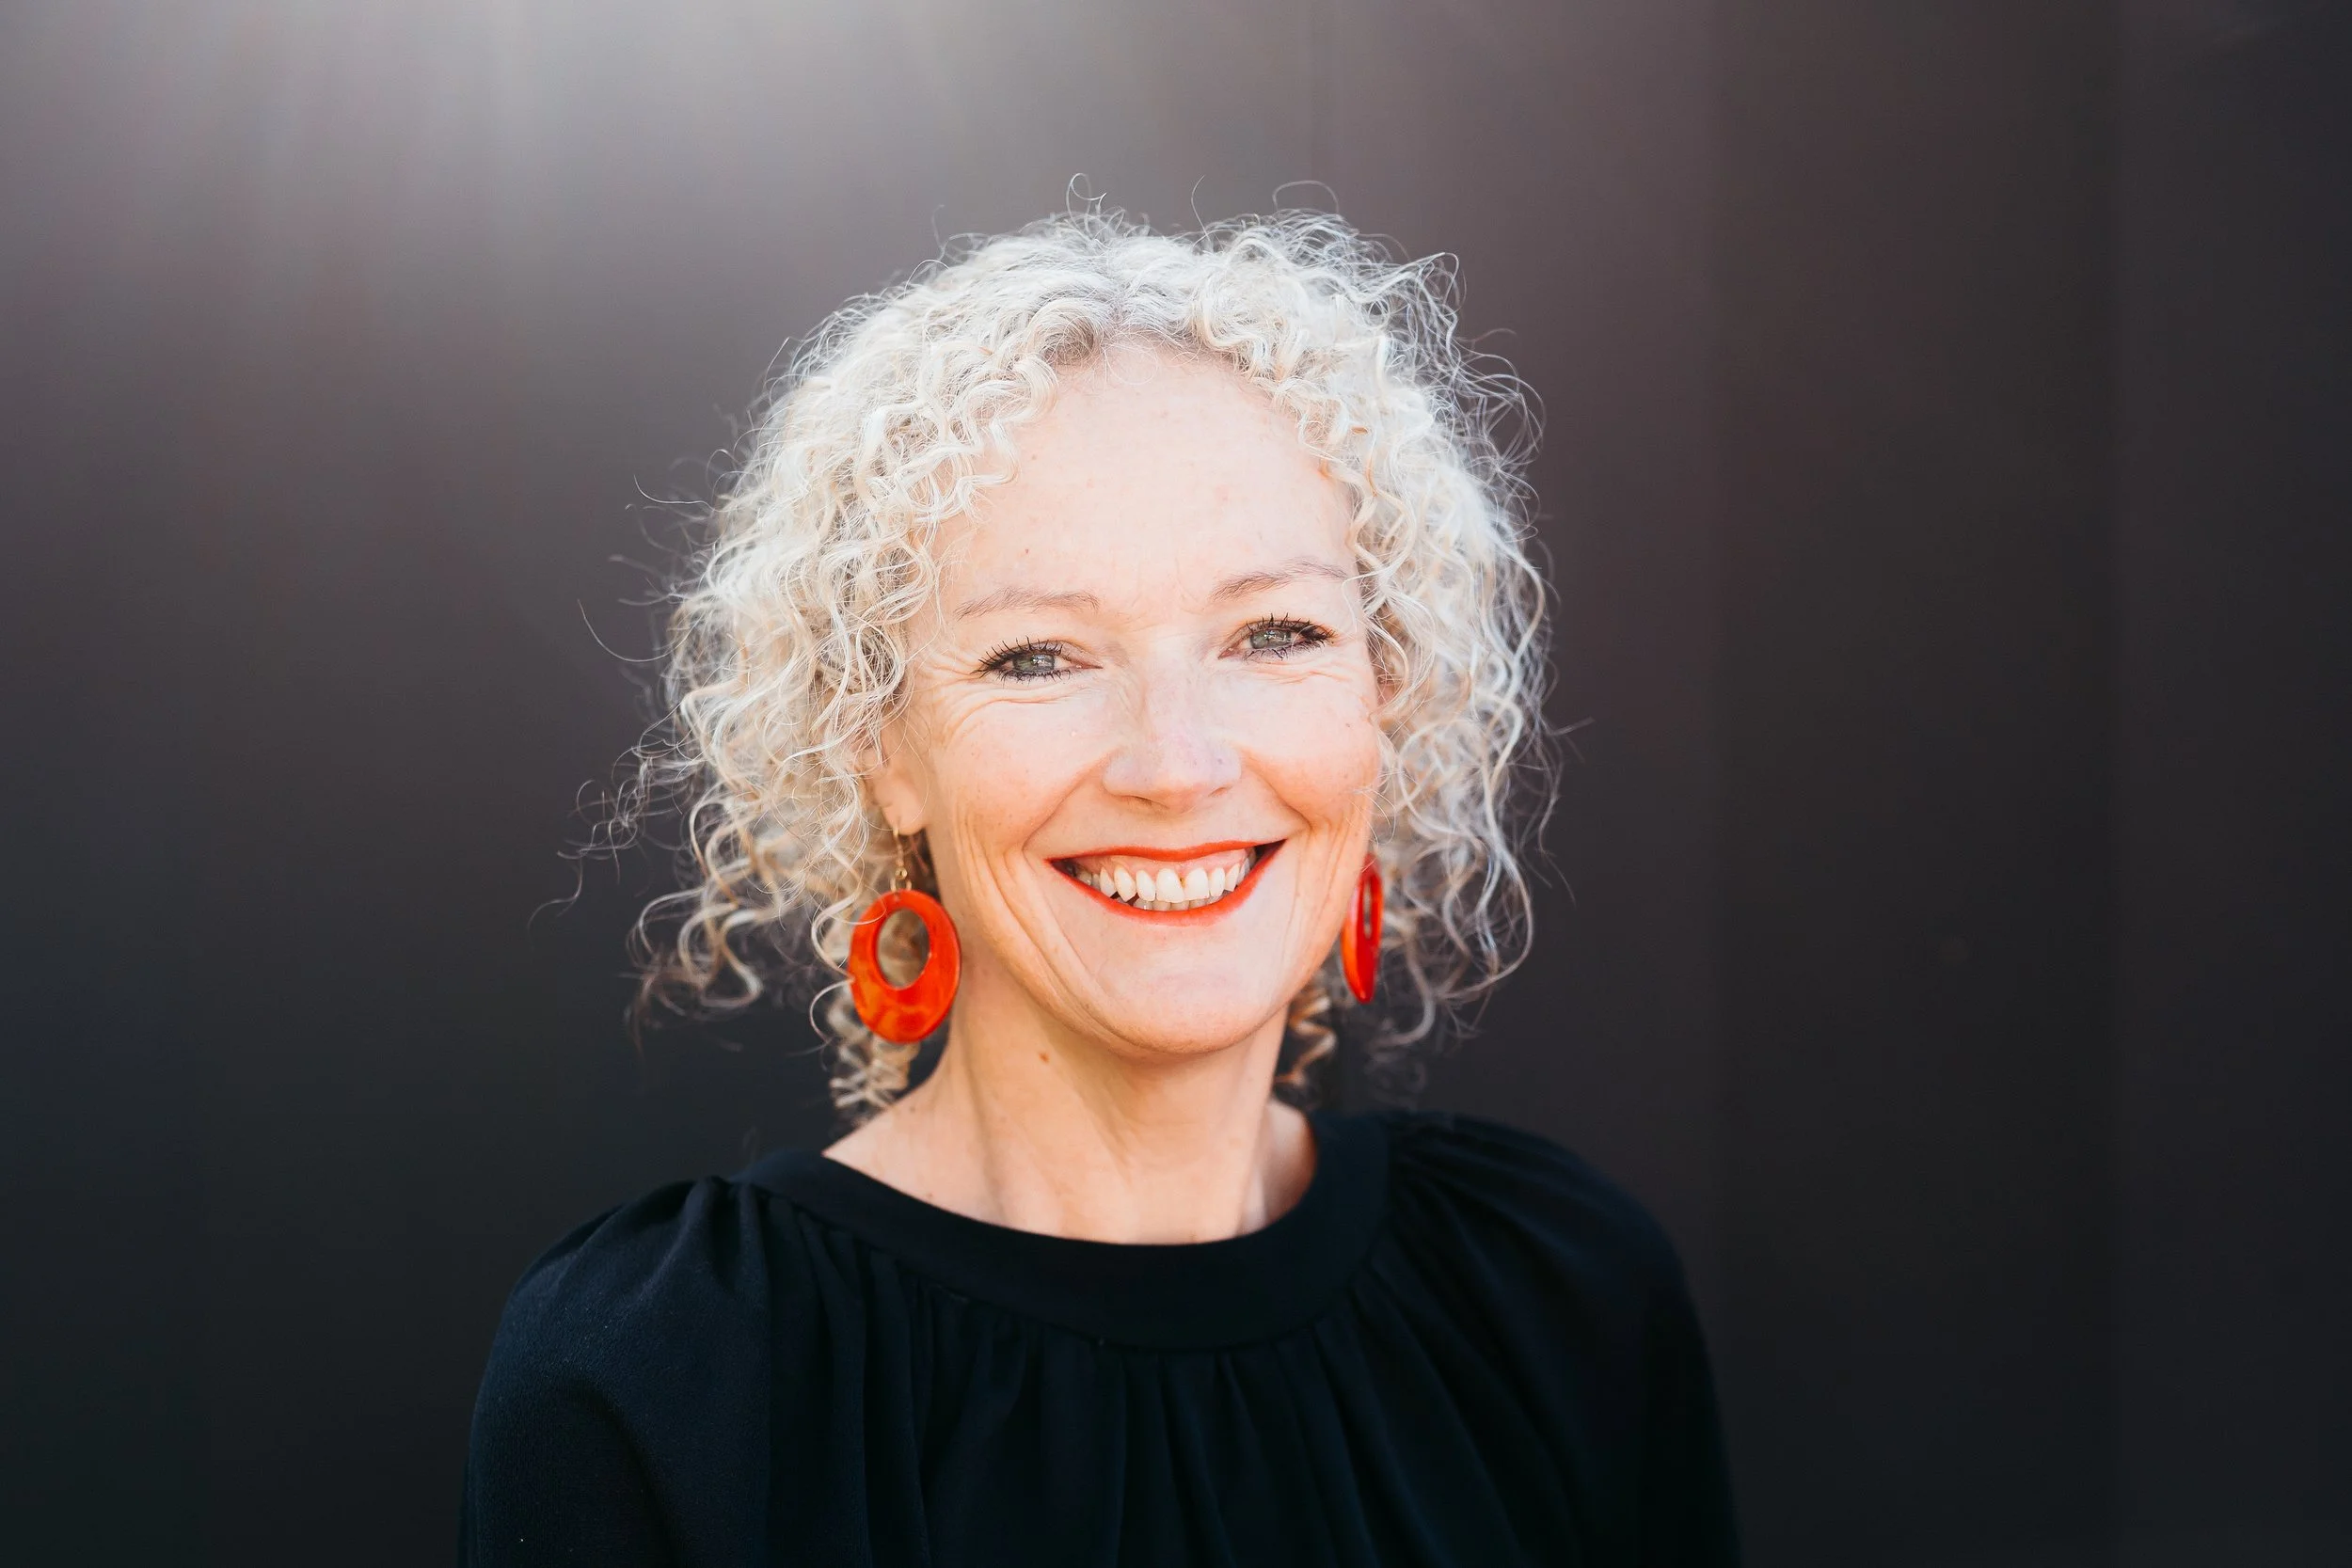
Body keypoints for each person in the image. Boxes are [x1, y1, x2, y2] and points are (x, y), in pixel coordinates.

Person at [461, 211, 1738, 1565]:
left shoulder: (1563, 1297)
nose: (1175, 765)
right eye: (1038, 657)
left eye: (1276, 633)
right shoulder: (661, 1379)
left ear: (1386, 698)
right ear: (877, 747)